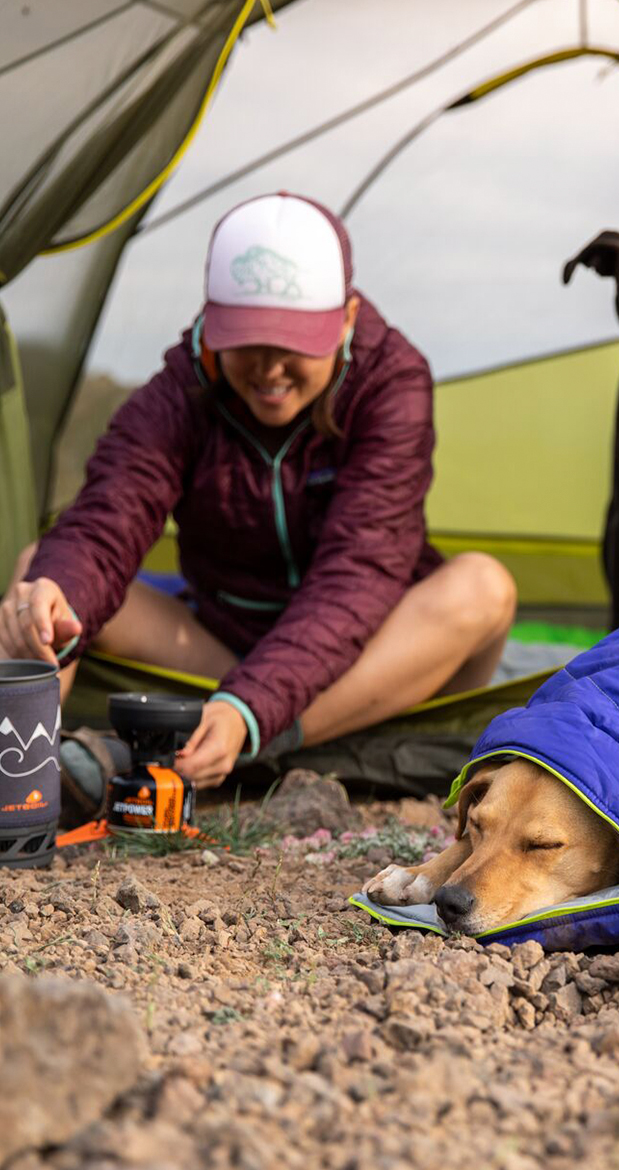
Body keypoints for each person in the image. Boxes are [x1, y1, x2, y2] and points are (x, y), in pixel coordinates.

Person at [0, 192, 516, 806]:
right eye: (246, 340)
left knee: (484, 587)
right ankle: (19, 789)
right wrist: (58, 592)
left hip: (369, 665)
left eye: (295, 343)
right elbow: (107, 522)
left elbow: (360, 573)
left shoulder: (391, 383)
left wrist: (250, 709)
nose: (270, 369)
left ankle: (243, 740)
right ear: (212, 319)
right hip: (225, 652)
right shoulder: (179, 392)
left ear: (346, 319)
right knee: (46, 582)